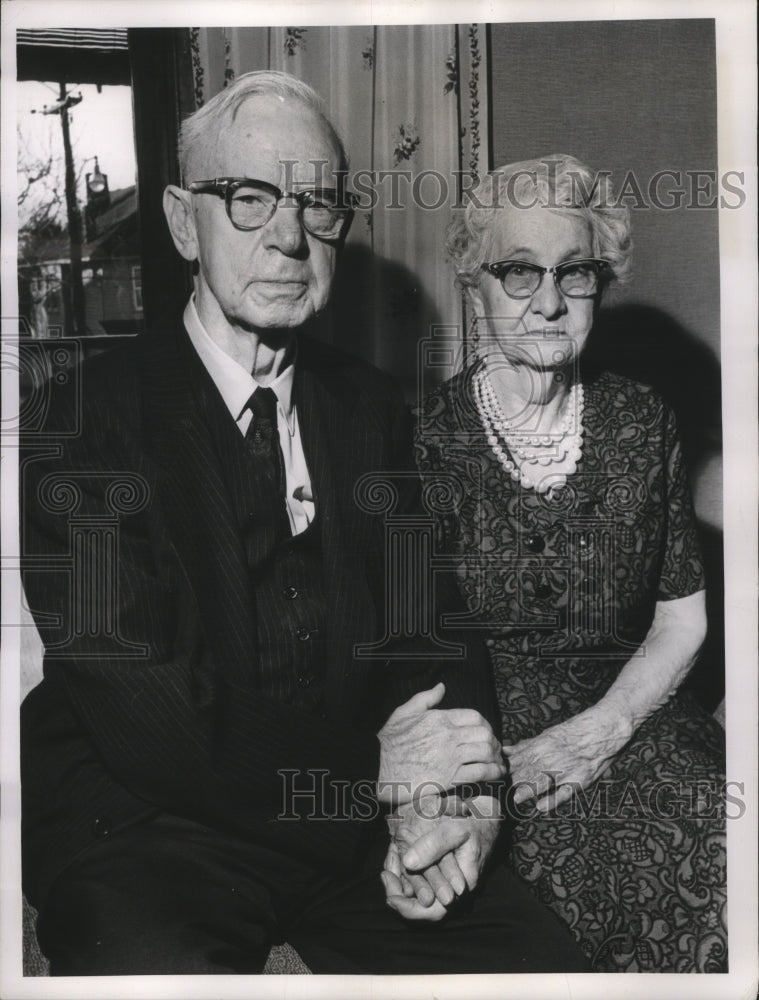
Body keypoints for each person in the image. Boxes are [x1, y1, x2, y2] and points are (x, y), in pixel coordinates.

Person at [19, 74, 590, 975]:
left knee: (541, 971)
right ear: (180, 221)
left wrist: (456, 804)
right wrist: (376, 774)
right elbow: (143, 702)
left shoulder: (366, 406)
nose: (287, 237)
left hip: (354, 827)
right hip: (150, 824)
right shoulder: (82, 416)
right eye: (248, 199)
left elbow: (427, 623)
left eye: (316, 203)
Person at [414, 154, 727, 972]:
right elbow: (404, 659)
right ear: (475, 285)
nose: (548, 302)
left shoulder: (639, 420)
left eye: (574, 272)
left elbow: (680, 618)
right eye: (518, 271)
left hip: (631, 721)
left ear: (600, 281)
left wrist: (601, 732)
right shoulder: (422, 440)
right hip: (502, 760)